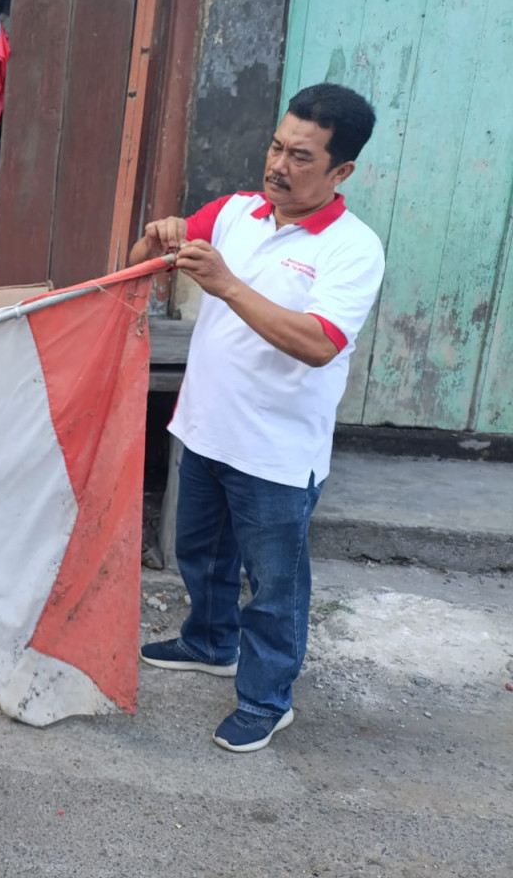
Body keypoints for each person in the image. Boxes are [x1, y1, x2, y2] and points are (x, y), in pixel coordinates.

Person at [130, 83, 385, 753]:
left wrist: (227, 284)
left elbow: (318, 341)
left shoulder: (353, 249)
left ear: (341, 171)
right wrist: (153, 238)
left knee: (274, 587)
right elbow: (145, 265)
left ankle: (267, 700)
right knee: (200, 555)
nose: (277, 165)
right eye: (276, 146)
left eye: (301, 157)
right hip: (207, 427)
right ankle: (209, 641)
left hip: (276, 450)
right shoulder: (237, 212)